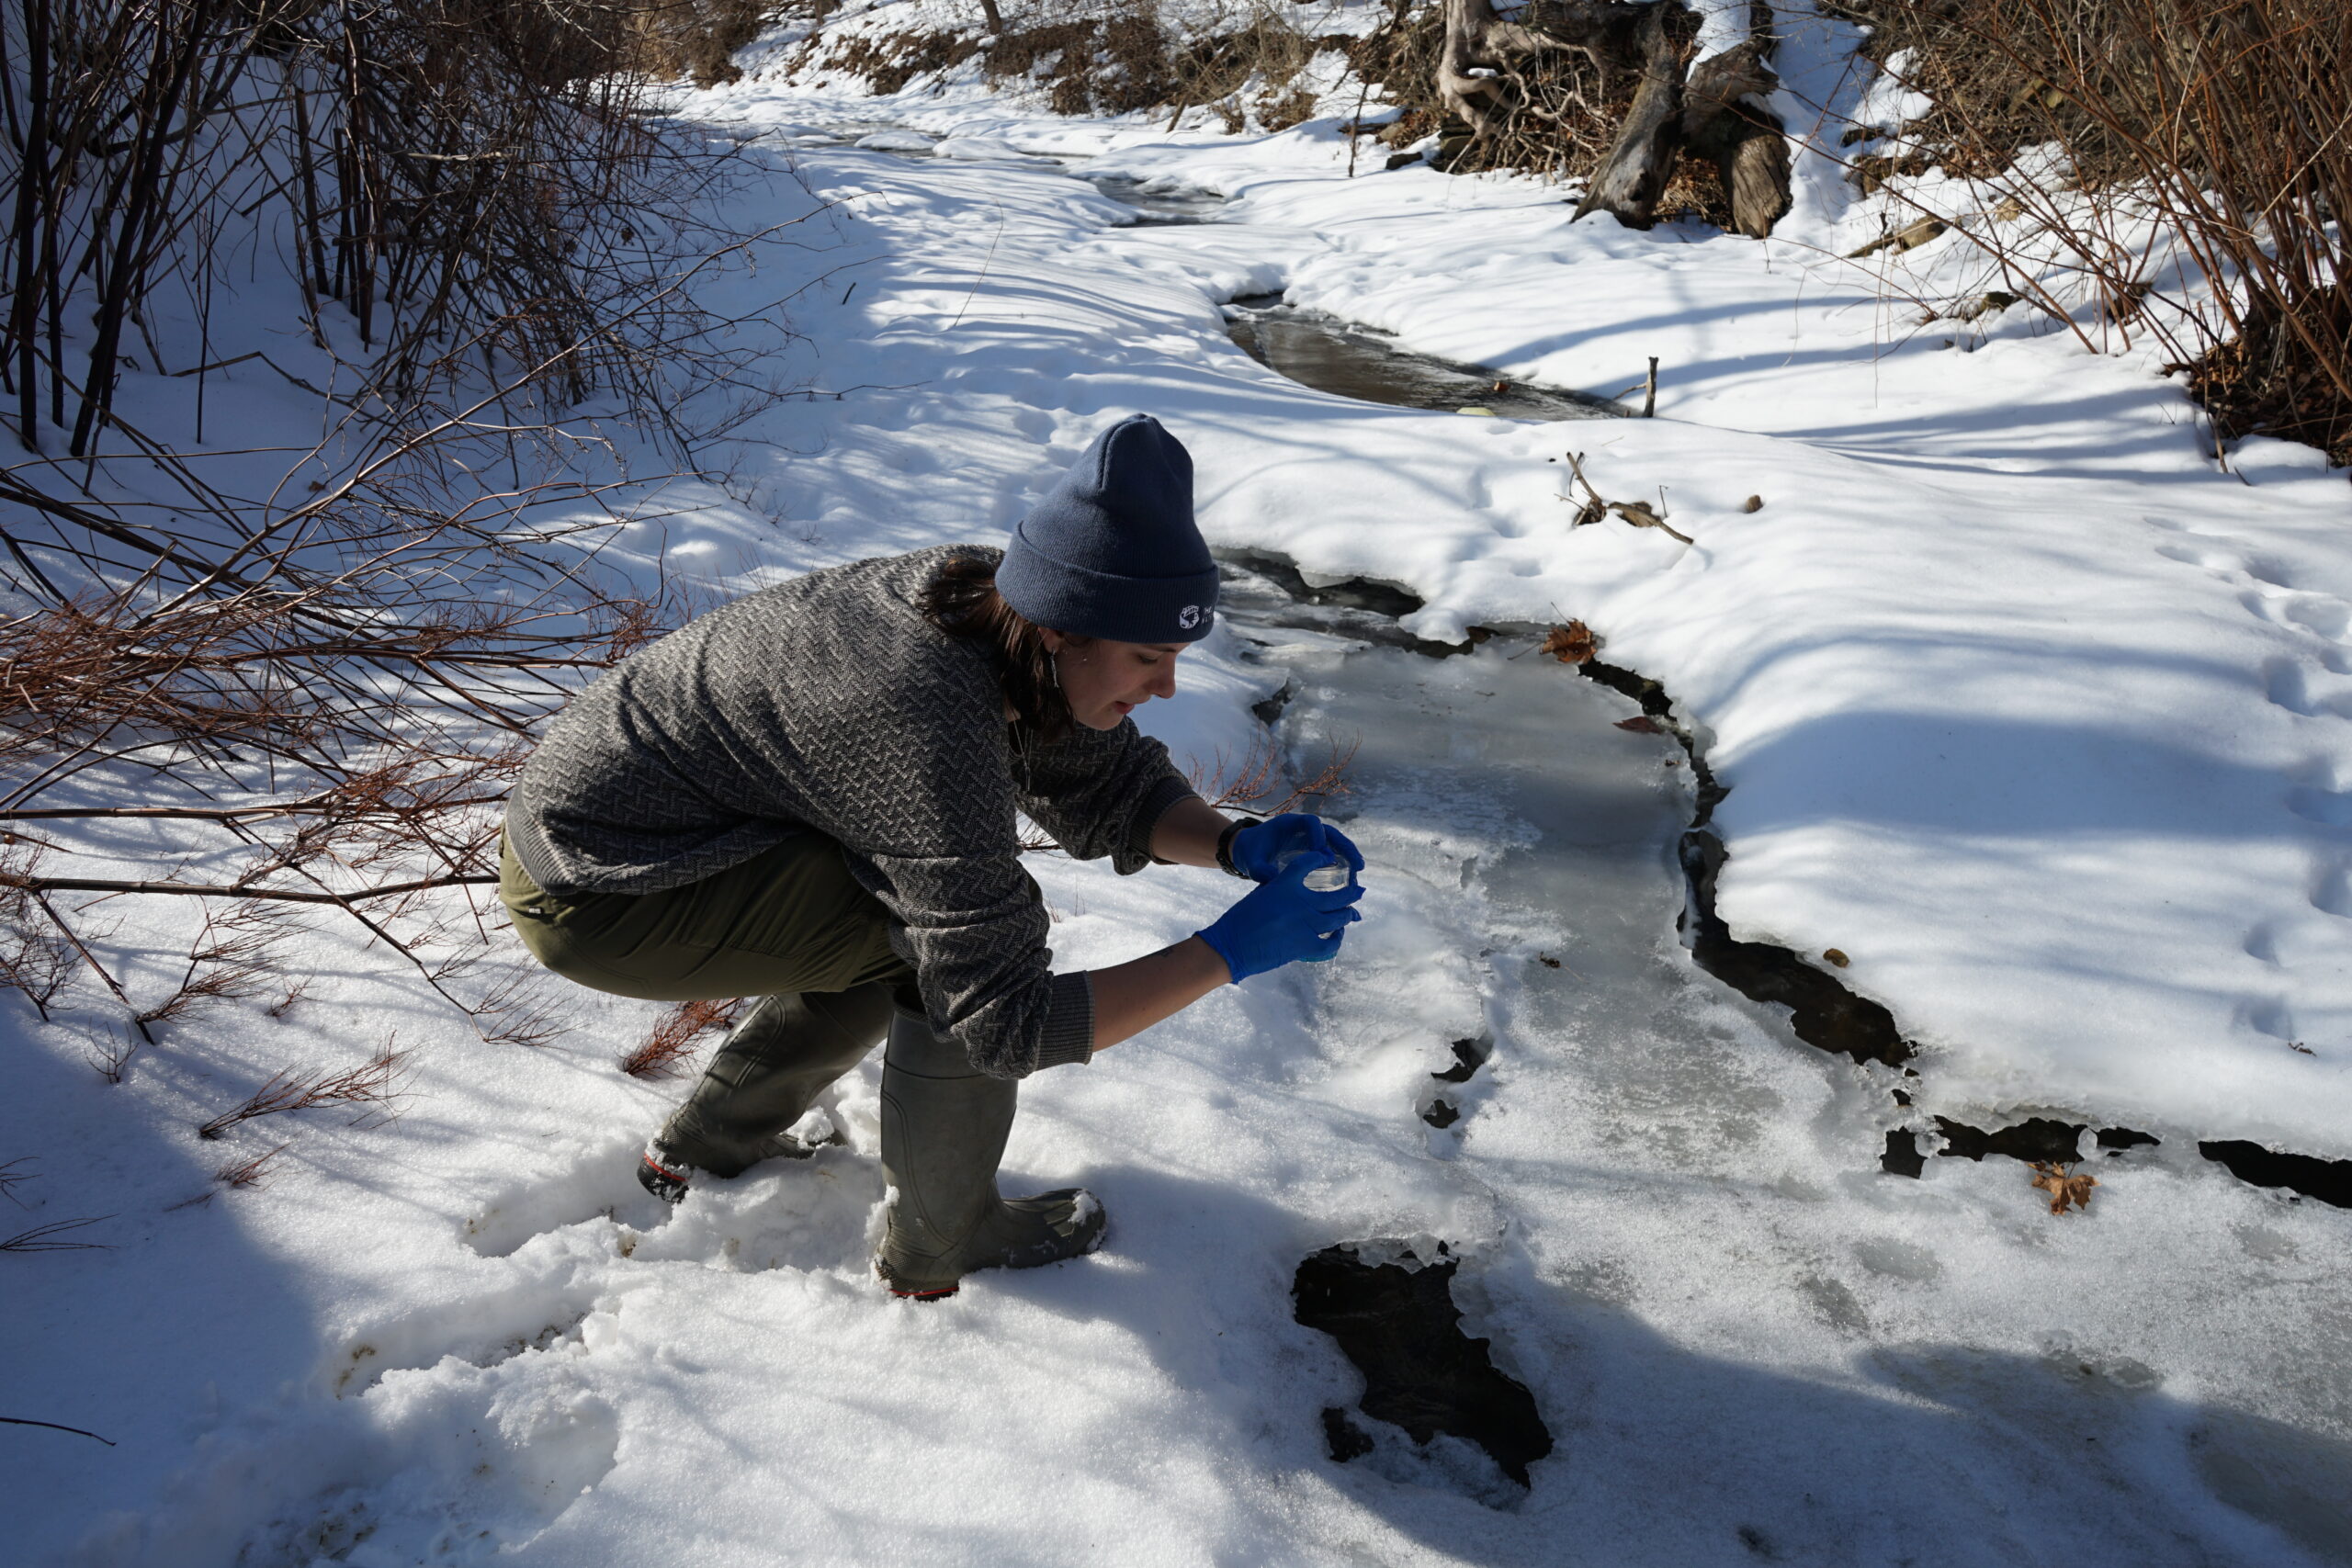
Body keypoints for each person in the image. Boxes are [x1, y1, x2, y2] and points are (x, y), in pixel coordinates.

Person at [499, 414, 1366, 1298]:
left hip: (653, 837)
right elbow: (1005, 1022)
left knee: (912, 921)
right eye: (1149, 656)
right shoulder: (920, 715)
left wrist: (1231, 842)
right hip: (603, 891)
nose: (1168, 687)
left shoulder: (985, 605)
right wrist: (1231, 950)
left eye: (1177, 656)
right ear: (1064, 629)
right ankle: (943, 1240)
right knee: (931, 949)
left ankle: (705, 1147)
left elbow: (1097, 776)